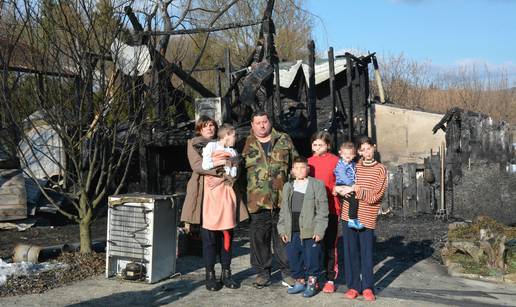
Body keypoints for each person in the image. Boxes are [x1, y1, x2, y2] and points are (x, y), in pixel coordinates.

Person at [181, 116, 248, 291]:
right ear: (199, 130)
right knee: (209, 238)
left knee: (227, 235)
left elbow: (236, 164)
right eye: (205, 126)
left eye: (212, 125)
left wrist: (227, 174)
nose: (209, 128)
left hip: (225, 193)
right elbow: (199, 166)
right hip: (205, 195)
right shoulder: (195, 144)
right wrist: (223, 170)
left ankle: (226, 273)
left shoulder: (228, 144)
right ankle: (210, 275)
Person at [242, 110, 298, 288]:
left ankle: (287, 273)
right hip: (257, 202)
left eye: (264, 121)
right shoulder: (244, 143)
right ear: (252, 125)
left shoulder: (284, 139)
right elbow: (237, 171)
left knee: (283, 238)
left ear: (270, 122)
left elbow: (296, 165)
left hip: (281, 200)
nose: (262, 125)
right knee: (259, 240)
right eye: (257, 123)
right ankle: (262, 273)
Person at [335, 136, 387, 301]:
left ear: (374, 147)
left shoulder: (381, 169)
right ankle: (353, 286)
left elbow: (376, 197)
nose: (366, 152)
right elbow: (341, 183)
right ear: (358, 152)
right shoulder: (354, 166)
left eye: (369, 148)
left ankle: (367, 287)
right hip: (348, 215)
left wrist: (357, 190)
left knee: (366, 253)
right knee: (350, 253)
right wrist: (339, 189)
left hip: (367, 216)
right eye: (362, 150)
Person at [277, 156, 328, 298]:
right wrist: (282, 230)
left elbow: (323, 211)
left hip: (310, 229)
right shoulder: (288, 186)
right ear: (292, 171)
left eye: (302, 167)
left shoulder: (317, 185)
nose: (299, 170)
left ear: (308, 169)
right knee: (294, 257)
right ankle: (299, 282)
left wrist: (319, 230)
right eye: (296, 168)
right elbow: (283, 211)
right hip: (291, 229)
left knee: (312, 258)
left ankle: (312, 283)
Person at [307, 131, 341, 293]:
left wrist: (338, 189)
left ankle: (330, 278)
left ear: (328, 145)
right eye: (315, 144)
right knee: (315, 245)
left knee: (330, 244)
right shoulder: (308, 163)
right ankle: (315, 276)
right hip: (313, 210)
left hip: (331, 208)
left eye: (320, 144)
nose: (317, 147)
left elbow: (343, 180)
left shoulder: (336, 161)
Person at [333, 142, 363, 229]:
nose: (347, 156)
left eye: (350, 154)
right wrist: (352, 185)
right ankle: (352, 219)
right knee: (353, 198)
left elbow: (355, 173)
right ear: (340, 154)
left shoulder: (353, 164)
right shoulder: (341, 165)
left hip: (350, 185)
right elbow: (343, 176)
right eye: (345, 153)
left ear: (354, 155)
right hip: (342, 184)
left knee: (355, 198)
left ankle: (354, 217)